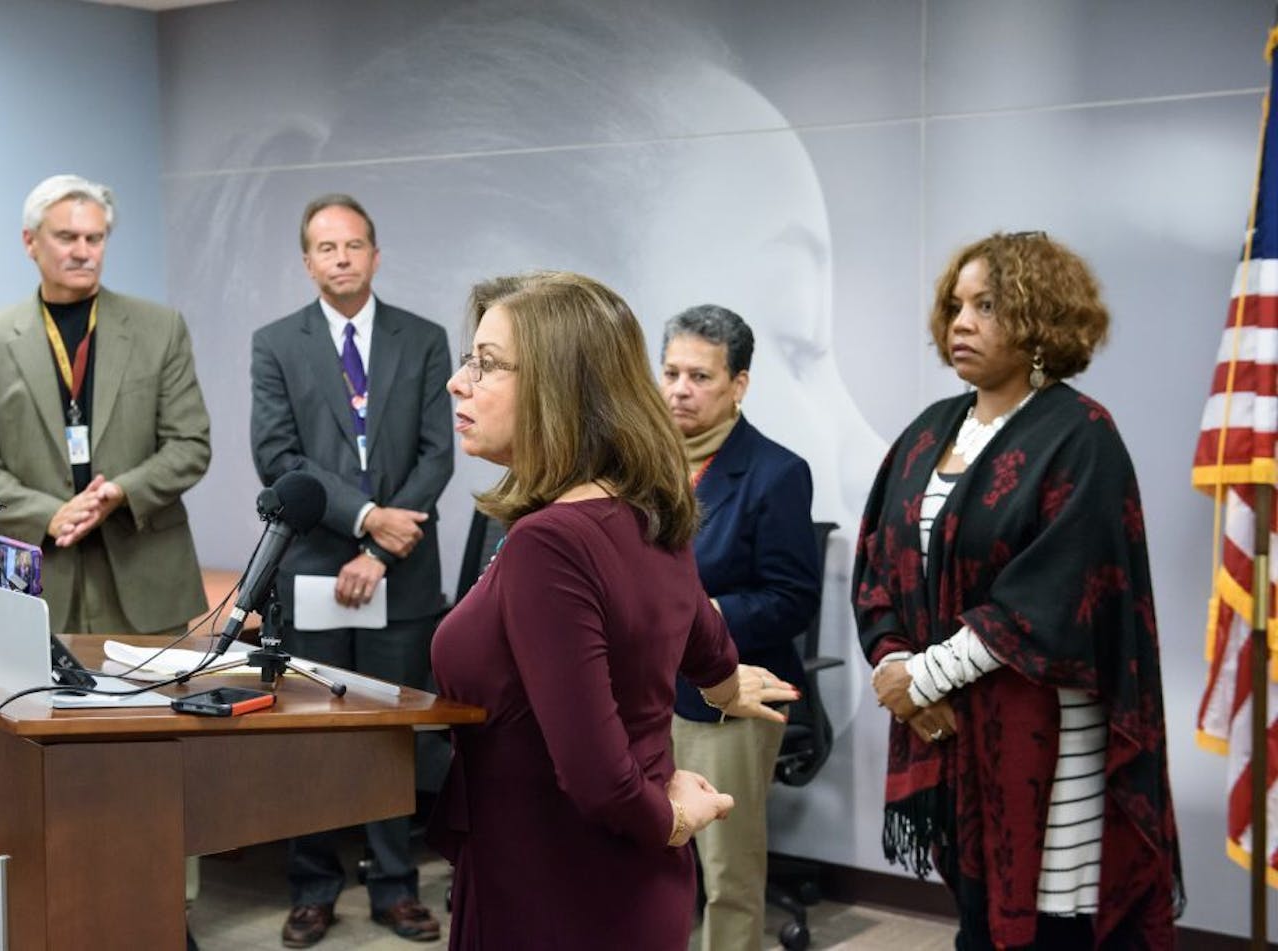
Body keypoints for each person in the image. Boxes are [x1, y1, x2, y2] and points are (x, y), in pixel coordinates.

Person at [430, 271, 800, 950]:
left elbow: (598, 777)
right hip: (605, 879)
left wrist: (669, 814)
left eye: (486, 364)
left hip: (559, 890)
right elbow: (708, 643)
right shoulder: (639, 509)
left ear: (558, 385)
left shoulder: (551, 541)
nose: (459, 382)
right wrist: (722, 687)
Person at [853, 232, 1182, 948]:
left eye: (989, 305)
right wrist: (891, 663)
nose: (961, 321)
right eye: (956, 304)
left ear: (1040, 320)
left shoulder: (1080, 434)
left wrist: (923, 676)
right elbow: (879, 562)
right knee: (977, 914)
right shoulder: (929, 431)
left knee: (1045, 923)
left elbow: (1048, 596)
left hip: (1046, 736)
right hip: (948, 720)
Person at [251, 193, 452, 946]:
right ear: (307, 261)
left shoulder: (424, 339)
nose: (341, 258)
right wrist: (364, 520)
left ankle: (396, 887)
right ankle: (312, 885)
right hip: (312, 567)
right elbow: (278, 458)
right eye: (326, 247)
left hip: (401, 570)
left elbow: (439, 452)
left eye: (354, 244)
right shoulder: (275, 343)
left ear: (375, 253)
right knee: (314, 734)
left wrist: (382, 546)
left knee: (390, 732)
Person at [0, 173, 211, 635]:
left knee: (154, 709)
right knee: (34, 709)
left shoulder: (160, 328)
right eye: (67, 237)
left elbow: (190, 446)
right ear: (30, 242)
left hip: (146, 575)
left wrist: (121, 491)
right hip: (32, 580)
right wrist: (50, 513)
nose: (83, 251)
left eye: (95, 237)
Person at [659, 304, 819, 951]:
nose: (679, 389)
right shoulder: (639, 462)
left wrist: (706, 612)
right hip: (641, 689)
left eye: (699, 376)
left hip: (727, 693)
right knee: (648, 854)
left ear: (739, 384)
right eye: (670, 371)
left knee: (725, 868)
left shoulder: (776, 472)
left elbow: (792, 598)